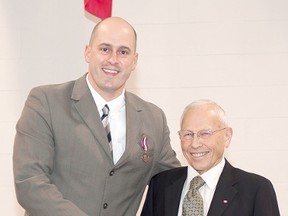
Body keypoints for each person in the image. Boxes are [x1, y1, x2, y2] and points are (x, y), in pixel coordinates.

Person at [13, 17, 180, 216]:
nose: (113, 59)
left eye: (123, 52)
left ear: (134, 61)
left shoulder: (154, 119)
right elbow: (30, 183)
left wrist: (219, 181)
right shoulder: (46, 102)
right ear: (88, 52)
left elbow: (172, 185)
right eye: (105, 49)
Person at [141, 99, 280, 216]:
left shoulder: (255, 190)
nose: (195, 144)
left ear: (227, 136)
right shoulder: (160, 184)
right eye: (188, 134)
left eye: (205, 133)